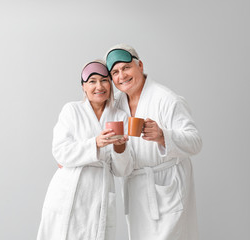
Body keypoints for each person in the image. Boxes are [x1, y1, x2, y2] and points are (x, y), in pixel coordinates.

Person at [105, 44, 202, 240]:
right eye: (115, 72)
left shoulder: (166, 99)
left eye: (126, 68)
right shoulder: (116, 104)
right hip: (136, 190)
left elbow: (195, 141)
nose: (121, 76)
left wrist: (162, 136)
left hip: (167, 187)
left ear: (139, 65)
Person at [37, 60, 133, 240]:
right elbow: (60, 151)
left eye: (104, 80)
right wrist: (95, 143)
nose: (99, 86)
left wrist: (120, 148)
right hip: (70, 189)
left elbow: (122, 170)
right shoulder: (71, 110)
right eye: (92, 81)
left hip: (100, 192)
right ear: (83, 87)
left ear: (110, 85)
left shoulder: (120, 117)